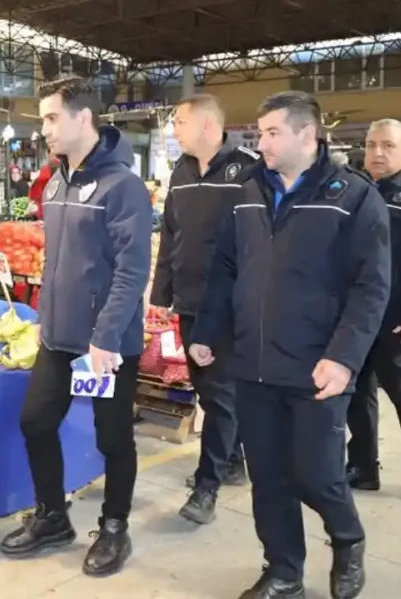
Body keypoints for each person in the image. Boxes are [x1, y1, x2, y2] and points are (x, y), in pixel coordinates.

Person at [189, 91, 387, 599]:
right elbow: (225, 268)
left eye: (273, 132)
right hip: (254, 364)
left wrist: (344, 358)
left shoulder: (353, 197)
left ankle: (348, 540)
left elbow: (371, 287)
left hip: (318, 367)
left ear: (308, 134)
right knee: (269, 477)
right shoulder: (248, 192)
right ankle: (283, 572)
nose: (262, 143)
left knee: (316, 475)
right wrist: (207, 331)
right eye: (261, 133)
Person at [0, 77, 152, 578]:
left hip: (103, 347)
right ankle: (52, 517)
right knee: (36, 422)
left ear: (83, 118)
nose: (43, 128)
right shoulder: (57, 181)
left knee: (112, 438)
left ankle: (114, 528)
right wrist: (44, 317)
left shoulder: (123, 186)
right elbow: (58, 260)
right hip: (58, 338)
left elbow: (132, 270)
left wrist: (105, 337)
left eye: (51, 117)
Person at [150, 94, 258, 525]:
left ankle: (206, 486)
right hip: (190, 302)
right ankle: (231, 460)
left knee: (220, 393)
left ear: (208, 126)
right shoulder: (180, 172)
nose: (173, 130)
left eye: (179, 122)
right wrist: (161, 293)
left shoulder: (247, 169)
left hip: (229, 307)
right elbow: (170, 236)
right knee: (207, 389)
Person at [346, 118, 401, 492]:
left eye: (388, 146)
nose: (377, 153)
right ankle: (364, 467)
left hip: (394, 321)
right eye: (371, 145)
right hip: (358, 316)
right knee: (357, 396)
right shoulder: (357, 191)